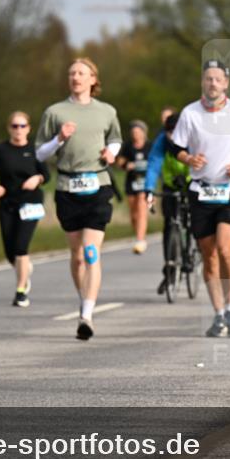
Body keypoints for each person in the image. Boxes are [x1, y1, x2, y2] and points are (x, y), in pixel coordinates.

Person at [35, 57, 122, 340]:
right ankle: (84, 298)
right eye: (72, 73)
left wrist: (112, 153)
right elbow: (40, 154)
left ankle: (86, 313)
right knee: (76, 257)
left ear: (93, 79)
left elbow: (116, 139)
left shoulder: (107, 111)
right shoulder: (55, 112)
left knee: (90, 251)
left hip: (98, 184)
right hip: (67, 187)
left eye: (81, 73)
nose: (75, 77)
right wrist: (59, 138)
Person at [169, 60, 230, 338]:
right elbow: (176, 147)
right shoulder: (190, 113)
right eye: (208, 79)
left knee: (225, 248)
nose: (213, 83)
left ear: (226, 83)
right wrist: (189, 158)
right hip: (201, 191)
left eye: (218, 79)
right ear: (203, 82)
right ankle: (218, 314)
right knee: (208, 256)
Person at [0, 111, 48, 307]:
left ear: (29, 128)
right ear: (9, 128)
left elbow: (46, 174)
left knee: (21, 246)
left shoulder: (36, 150)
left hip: (30, 202)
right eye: (15, 126)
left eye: (22, 126)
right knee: (10, 250)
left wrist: (36, 178)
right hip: (8, 202)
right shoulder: (1, 150)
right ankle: (24, 269)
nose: (18, 130)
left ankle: (21, 290)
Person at [144, 111, 193, 295]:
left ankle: (191, 251)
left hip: (192, 183)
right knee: (169, 224)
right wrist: (149, 188)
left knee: (193, 220)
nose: (172, 137)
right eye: (169, 132)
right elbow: (154, 164)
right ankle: (170, 267)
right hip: (170, 185)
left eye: (176, 132)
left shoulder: (193, 138)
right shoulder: (162, 141)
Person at [115, 120, 151, 254]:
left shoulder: (149, 146)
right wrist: (126, 165)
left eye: (138, 132)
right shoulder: (128, 146)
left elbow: (156, 161)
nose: (135, 134)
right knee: (134, 213)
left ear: (143, 132)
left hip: (145, 182)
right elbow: (119, 162)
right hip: (132, 181)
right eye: (133, 132)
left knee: (142, 208)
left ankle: (140, 239)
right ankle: (138, 234)